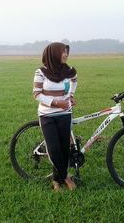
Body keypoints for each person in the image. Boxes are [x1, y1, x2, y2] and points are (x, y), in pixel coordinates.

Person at [33, 42, 78, 191]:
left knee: (64, 148)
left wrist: (70, 95)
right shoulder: (41, 72)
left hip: (65, 114)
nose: (65, 55)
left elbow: (74, 81)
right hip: (47, 115)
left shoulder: (69, 70)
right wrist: (55, 103)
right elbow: (37, 94)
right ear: (53, 54)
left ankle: (56, 180)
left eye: (67, 52)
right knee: (53, 149)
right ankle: (65, 176)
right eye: (62, 52)